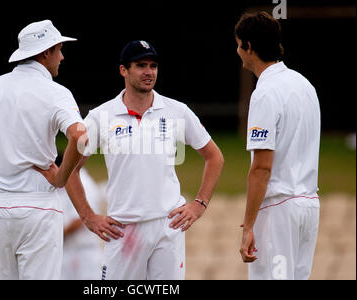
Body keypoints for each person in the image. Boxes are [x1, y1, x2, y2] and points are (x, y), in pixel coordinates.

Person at [0, 20, 122, 280]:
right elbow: (79, 135)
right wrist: (61, 177)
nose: (62, 57)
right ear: (45, 53)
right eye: (59, 49)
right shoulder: (56, 93)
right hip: (39, 206)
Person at [74, 40, 224, 280]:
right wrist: (88, 217)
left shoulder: (177, 111)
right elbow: (71, 170)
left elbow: (214, 156)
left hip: (169, 226)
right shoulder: (100, 116)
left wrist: (199, 205)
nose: (149, 72)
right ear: (123, 70)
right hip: (123, 229)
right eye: (141, 65)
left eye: (153, 65)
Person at [235, 12, 321, 280]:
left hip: (279, 209)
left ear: (249, 47)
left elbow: (261, 168)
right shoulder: (304, 85)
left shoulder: (265, 92)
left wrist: (248, 226)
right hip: (309, 204)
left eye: (239, 44)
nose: (238, 51)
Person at [55, 154, 104, 280]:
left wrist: (58, 234)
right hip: (69, 250)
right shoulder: (64, 186)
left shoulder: (85, 183)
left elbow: (79, 220)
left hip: (85, 251)